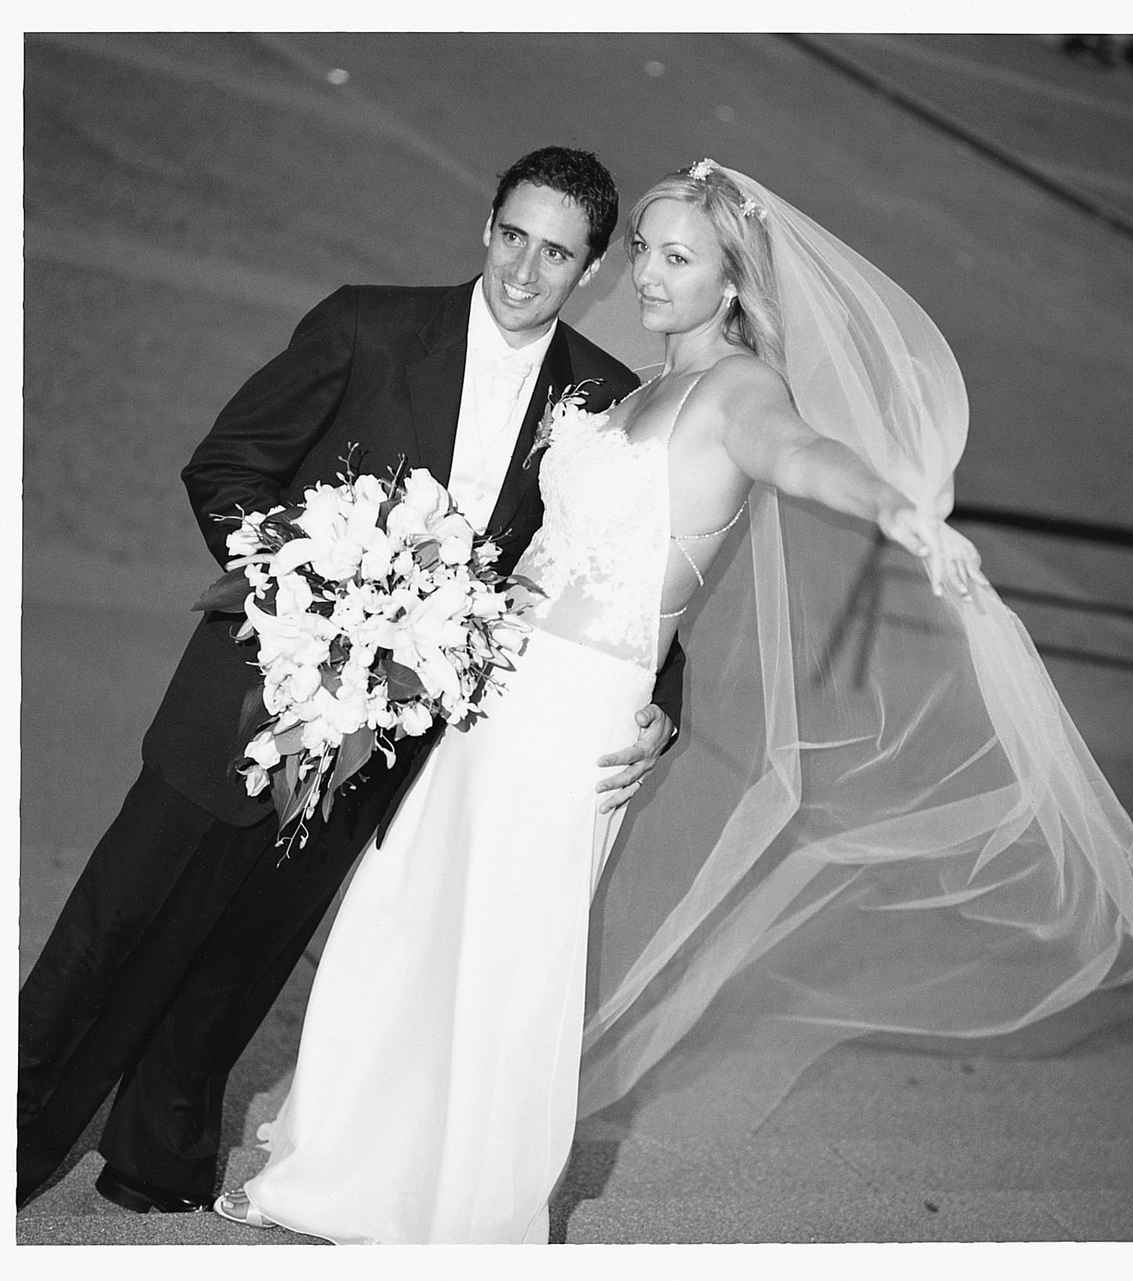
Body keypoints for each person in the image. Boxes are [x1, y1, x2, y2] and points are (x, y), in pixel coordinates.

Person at [207, 158, 1133, 1246]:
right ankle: (348, 1171)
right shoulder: (642, 387)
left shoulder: (741, 391)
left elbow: (806, 458)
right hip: (495, 690)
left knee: (504, 954)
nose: (647, 273)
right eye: (643, 248)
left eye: (678, 258)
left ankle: (454, 1216)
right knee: (416, 912)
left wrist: (903, 513)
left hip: (575, 709)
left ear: (733, 284)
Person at [17, 146, 687, 1214]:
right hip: (246, 699)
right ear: (486, 228)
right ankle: (18, 1134)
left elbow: (614, 570)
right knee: (117, 925)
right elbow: (228, 465)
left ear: (593, 270)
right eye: (512, 236)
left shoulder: (599, 401)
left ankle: (158, 1154)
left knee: (250, 954)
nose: (524, 270)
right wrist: (311, 586)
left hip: (387, 740)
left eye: (557, 253)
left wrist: (663, 701)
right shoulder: (369, 326)